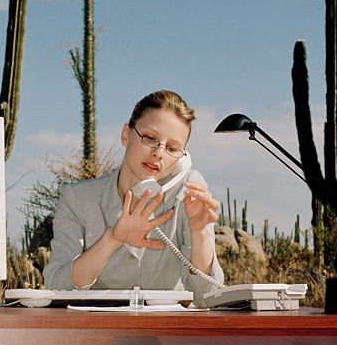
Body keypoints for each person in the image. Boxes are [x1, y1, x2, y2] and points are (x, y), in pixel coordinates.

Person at [43, 90, 224, 305]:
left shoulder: (188, 193)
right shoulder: (77, 198)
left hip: (168, 332)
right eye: (150, 138)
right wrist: (112, 240)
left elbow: (208, 298)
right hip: (97, 331)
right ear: (125, 135)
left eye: (173, 148)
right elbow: (56, 286)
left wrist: (199, 232)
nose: (159, 153)